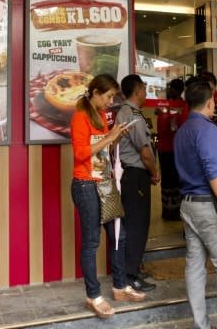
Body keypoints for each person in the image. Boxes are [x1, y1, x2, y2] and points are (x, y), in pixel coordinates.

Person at [70, 74, 145, 319]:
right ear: (94, 92)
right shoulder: (80, 117)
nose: (110, 101)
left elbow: (103, 152)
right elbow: (81, 154)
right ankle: (93, 295)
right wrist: (109, 138)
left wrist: (115, 139)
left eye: (113, 96)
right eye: (108, 96)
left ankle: (120, 285)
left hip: (105, 182)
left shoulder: (102, 116)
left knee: (118, 235)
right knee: (92, 242)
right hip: (86, 185)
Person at [174, 80, 217, 329]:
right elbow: (214, 172)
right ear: (210, 102)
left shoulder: (182, 130)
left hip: (189, 205)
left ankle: (199, 325)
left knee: (194, 267)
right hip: (208, 205)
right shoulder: (208, 130)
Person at [115, 74, 159, 292]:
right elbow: (145, 153)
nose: (145, 91)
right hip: (135, 176)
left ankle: (132, 268)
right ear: (138, 90)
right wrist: (155, 173)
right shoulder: (132, 115)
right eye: (144, 88)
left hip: (130, 175)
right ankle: (130, 275)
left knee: (133, 223)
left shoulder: (127, 112)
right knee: (137, 225)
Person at [156, 78, 186, 221]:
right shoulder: (164, 104)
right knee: (167, 180)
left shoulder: (181, 105)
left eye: (171, 87)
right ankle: (167, 210)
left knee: (174, 180)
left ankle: (175, 210)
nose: (169, 90)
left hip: (175, 148)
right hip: (164, 147)